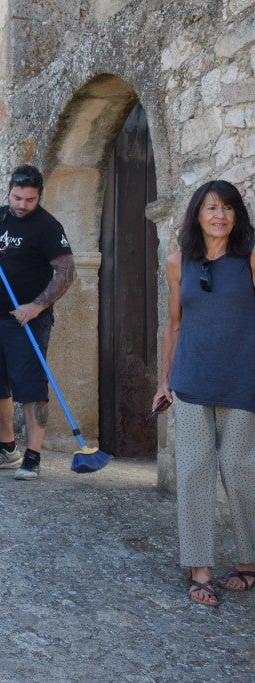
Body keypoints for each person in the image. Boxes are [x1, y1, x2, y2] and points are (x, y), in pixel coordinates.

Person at [152, 180, 255, 607]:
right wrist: (164, 381)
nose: (220, 216)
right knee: (194, 470)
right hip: (191, 379)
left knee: (239, 467)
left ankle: (249, 562)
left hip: (242, 379)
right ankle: (199, 567)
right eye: (211, 208)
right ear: (197, 214)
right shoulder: (178, 263)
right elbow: (173, 324)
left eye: (228, 208)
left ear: (237, 216)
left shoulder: (249, 257)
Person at [0, 164, 75, 481]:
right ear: (9, 191)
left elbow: (66, 273)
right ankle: (7, 449)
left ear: (39, 196)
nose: (22, 205)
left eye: (29, 199)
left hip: (29, 321)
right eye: (17, 197)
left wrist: (36, 307)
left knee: (31, 390)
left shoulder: (48, 227)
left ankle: (33, 456)